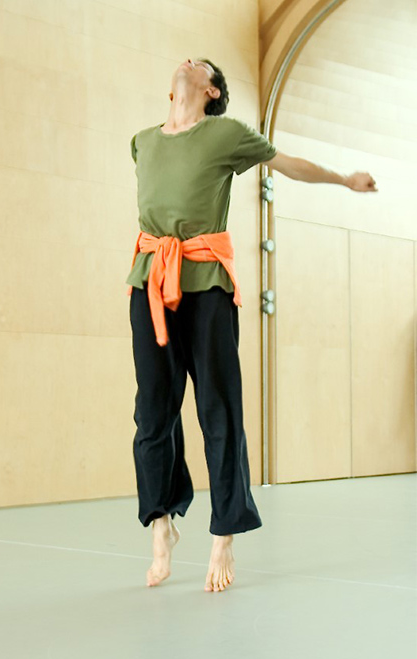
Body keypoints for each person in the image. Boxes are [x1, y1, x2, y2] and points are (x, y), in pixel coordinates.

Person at [127, 58, 376, 593]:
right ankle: (162, 522)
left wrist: (343, 179)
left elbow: (288, 163)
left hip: (208, 287)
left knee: (218, 407)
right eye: (185, 59)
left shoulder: (226, 134)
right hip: (150, 281)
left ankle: (224, 532)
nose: (186, 62)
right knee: (152, 411)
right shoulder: (142, 141)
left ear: (210, 89)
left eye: (200, 64)